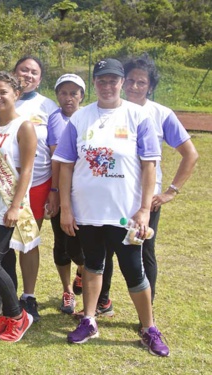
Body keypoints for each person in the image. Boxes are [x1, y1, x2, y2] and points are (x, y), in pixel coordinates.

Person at [53, 58, 170, 357]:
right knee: (93, 265)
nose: (107, 86)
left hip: (125, 212)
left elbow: (149, 166)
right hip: (88, 210)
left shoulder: (137, 116)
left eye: (113, 80)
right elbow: (65, 166)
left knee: (134, 269)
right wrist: (66, 208)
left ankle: (149, 327)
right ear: (94, 83)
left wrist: (145, 210)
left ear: (122, 82)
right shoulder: (80, 118)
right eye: (101, 80)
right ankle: (89, 320)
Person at [95, 54, 199, 322]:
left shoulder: (161, 114)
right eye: (130, 80)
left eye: (142, 82)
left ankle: (146, 310)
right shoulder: (106, 111)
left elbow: (191, 154)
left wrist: (170, 191)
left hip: (145, 199)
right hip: (111, 195)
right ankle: (102, 301)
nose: (135, 86)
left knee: (142, 251)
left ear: (150, 86)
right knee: (104, 249)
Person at [0, 56, 58, 321]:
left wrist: (55, 190)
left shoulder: (47, 106)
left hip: (38, 183)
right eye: (23, 70)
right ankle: (0, 292)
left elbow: (55, 149)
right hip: (0, 186)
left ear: (40, 78)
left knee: (27, 242)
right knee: (0, 244)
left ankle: (28, 297)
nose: (28, 75)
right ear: (15, 75)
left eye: (34, 72)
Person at [0, 71, 38, 342]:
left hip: (7, 204)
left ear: (17, 95)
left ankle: (18, 316)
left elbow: (26, 170)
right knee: (6, 262)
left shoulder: (24, 126)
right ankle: (8, 314)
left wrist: (15, 206)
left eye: (4, 92)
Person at [48, 73, 86, 314]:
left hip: (85, 194)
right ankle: (67, 291)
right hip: (62, 192)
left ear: (82, 96)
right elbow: (56, 160)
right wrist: (54, 191)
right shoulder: (54, 119)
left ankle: (82, 272)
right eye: (63, 93)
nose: (68, 98)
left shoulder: (90, 117)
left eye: (74, 93)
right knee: (61, 244)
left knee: (81, 246)